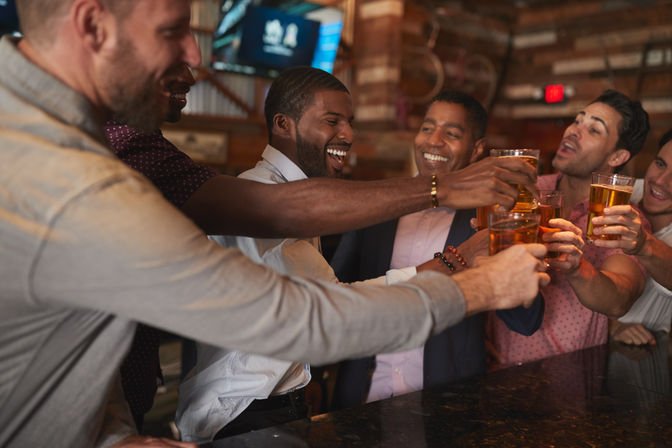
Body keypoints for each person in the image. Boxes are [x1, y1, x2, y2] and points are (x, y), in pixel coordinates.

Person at [0, 1, 550, 447]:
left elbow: (67, 337)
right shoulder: (70, 174)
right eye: (172, 30)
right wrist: (475, 284)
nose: (194, 53)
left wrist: (110, 435)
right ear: (91, 24)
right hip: (240, 416)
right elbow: (294, 312)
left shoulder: (105, 150)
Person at [174, 72, 499, 443]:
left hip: (278, 403)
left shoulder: (296, 190)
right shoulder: (262, 194)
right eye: (332, 121)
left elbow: (331, 294)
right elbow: (333, 309)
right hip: (243, 412)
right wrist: (456, 253)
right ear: (283, 124)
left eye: (350, 122)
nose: (348, 134)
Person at [328, 91, 544, 409]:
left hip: (447, 403)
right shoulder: (381, 202)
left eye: (452, 133)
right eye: (428, 128)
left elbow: (525, 322)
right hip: (362, 395)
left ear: (477, 149)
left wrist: (506, 241)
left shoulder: (486, 217)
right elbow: (333, 295)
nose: (434, 141)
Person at [488, 89, 650, 369]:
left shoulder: (622, 216)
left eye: (594, 129)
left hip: (565, 380)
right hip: (491, 369)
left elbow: (618, 300)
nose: (574, 131)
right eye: (577, 120)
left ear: (617, 156)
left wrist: (577, 267)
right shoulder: (528, 189)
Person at [591, 129, 672, 345]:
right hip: (580, 341)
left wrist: (643, 244)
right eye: (660, 164)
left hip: (640, 357)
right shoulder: (625, 189)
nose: (661, 181)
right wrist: (610, 325)